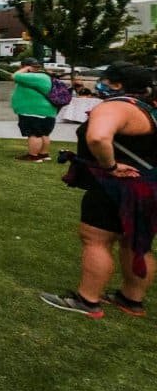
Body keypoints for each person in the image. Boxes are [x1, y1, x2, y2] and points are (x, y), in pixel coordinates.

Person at [41, 62, 157, 319]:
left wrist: (110, 166)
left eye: (104, 80)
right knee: (136, 242)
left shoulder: (116, 106)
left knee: (96, 240)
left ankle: (87, 300)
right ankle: (131, 299)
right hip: (147, 185)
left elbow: (98, 137)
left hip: (116, 186)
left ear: (116, 84)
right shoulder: (149, 108)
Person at [12, 57, 57, 162]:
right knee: (44, 133)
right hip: (46, 111)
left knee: (34, 133)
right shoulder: (44, 76)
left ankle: (33, 156)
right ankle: (43, 154)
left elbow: (15, 76)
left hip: (33, 111)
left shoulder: (33, 76)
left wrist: (25, 68)